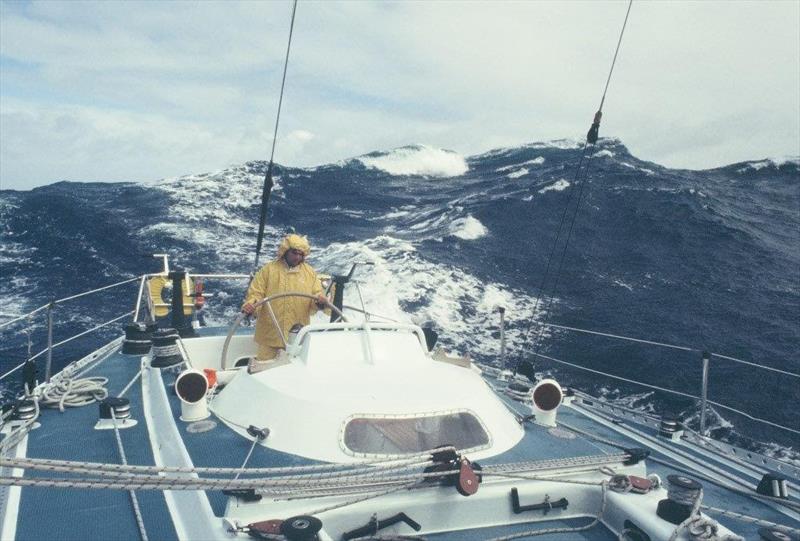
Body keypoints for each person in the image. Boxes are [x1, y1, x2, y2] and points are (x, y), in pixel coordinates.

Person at [242, 234, 328, 366]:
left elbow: (316, 296)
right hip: (269, 336)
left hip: (297, 338)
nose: (297, 257)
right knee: (264, 370)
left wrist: (320, 301)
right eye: (294, 253)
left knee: (294, 374)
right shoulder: (268, 270)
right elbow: (256, 294)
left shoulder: (310, 273)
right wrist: (250, 305)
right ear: (285, 251)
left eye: (301, 254)